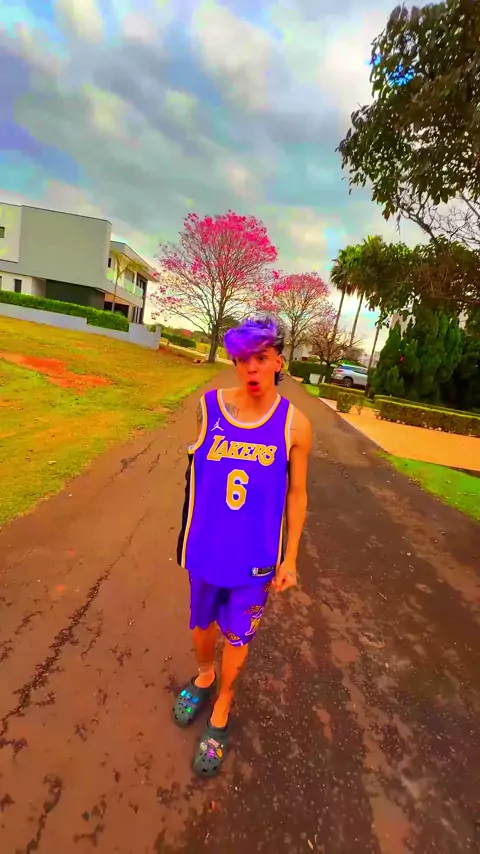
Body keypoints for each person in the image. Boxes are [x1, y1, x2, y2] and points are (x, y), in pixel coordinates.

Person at [174, 315, 311, 777]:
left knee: (238, 636)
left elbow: (297, 494)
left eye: (261, 358)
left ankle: (223, 704)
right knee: (201, 626)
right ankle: (204, 676)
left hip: (255, 561)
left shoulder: (295, 425)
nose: (251, 368)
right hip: (205, 548)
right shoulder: (207, 408)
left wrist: (290, 557)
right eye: (243, 359)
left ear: (278, 361)